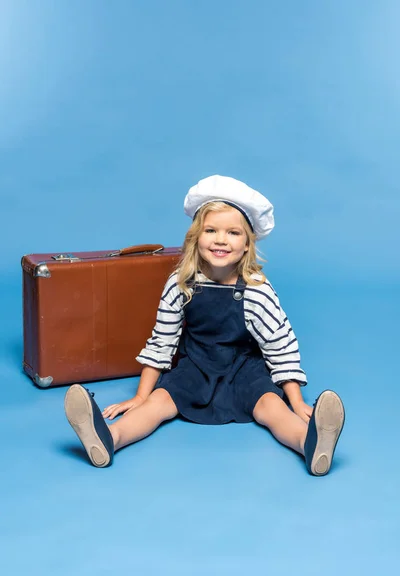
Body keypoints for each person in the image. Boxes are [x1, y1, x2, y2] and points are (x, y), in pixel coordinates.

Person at [64, 175, 345, 476]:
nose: (221, 239)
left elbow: (280, 346)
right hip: (194, 368)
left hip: (244, 370)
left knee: (271, 410)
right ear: (195, 237)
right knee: (158, 404)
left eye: (233, 232)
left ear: (248, 243)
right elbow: (162, 341)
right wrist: (141, 396)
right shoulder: (180, 284)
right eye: (211, 230)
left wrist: (296, 400)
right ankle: (109, 439)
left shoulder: (257, 289)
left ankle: (310, 443)